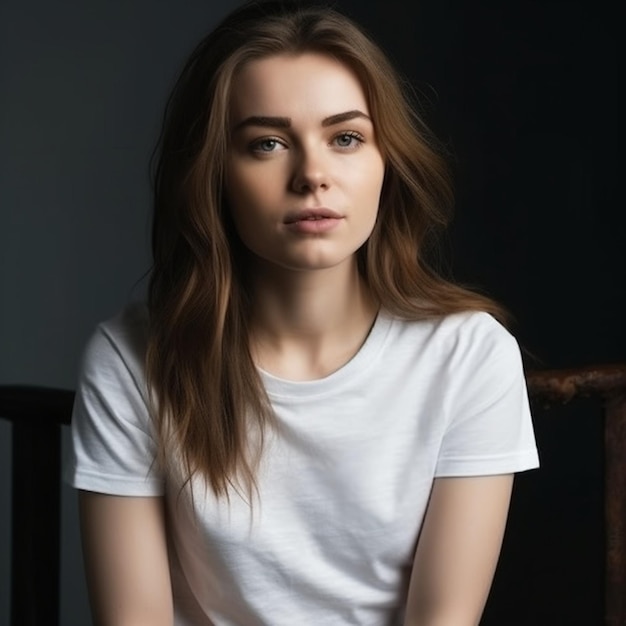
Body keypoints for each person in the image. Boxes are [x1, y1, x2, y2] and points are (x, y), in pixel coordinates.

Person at [65, 1, 539, 624]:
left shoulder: (470, 357)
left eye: (346, 138)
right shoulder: (131, 361)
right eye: (267, 143)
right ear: (213, 175)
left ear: (386, 163)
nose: (313, 174)